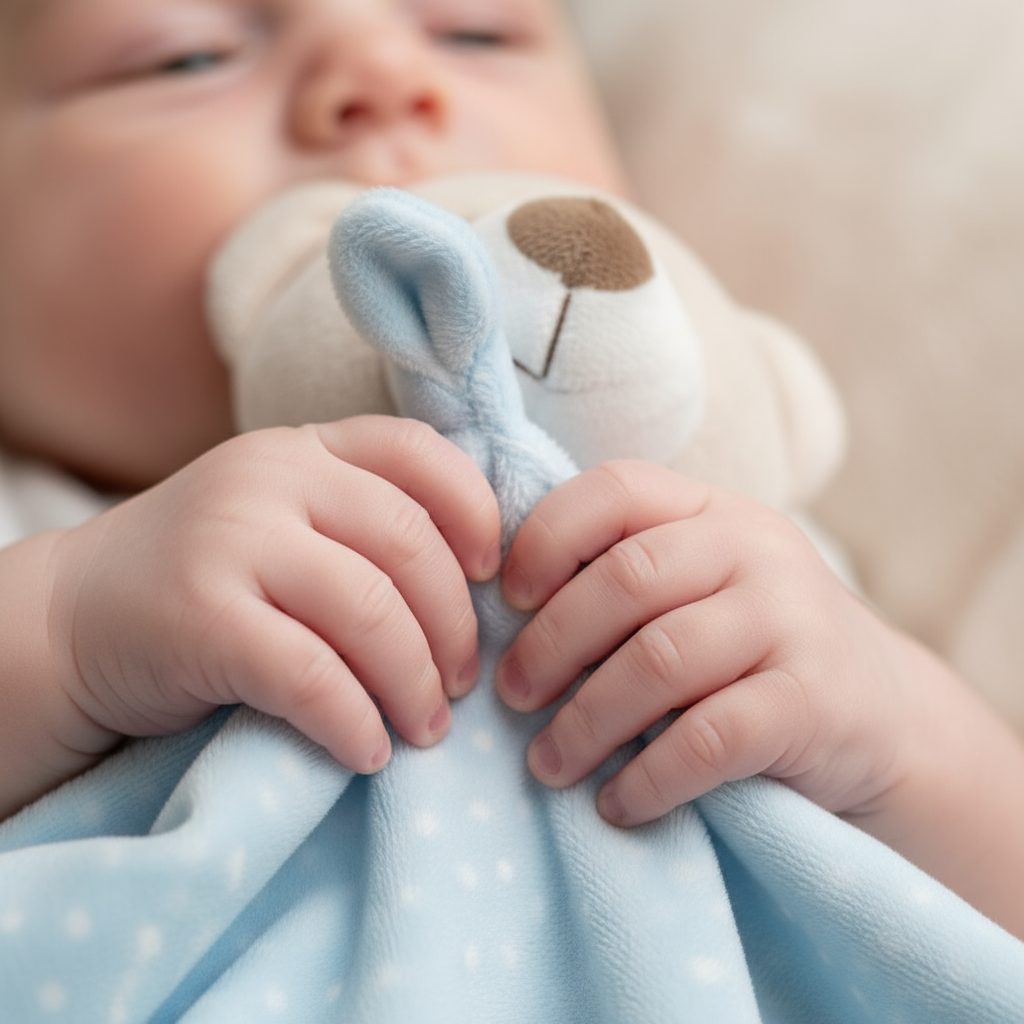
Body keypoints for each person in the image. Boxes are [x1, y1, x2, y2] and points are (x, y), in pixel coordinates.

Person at [1, 0, 1022, 943]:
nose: (382, 75)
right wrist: (66, 632)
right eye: (187, 53)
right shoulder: (44, 531)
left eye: (475, 31)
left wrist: (903, 739)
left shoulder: (738, 534)